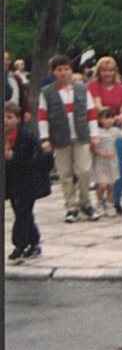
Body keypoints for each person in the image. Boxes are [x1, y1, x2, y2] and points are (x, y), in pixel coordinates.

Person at [37, 54, 100, 223]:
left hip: (81, 136)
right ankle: (71, 206)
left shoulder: (82, 89)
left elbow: (91, 113)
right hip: (60, 137)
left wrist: (94, 135)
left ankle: (85, 202)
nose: (64, 72)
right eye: (60, 70)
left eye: (66, 69)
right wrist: (45, 138)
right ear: (54, 72)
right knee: (65, 173)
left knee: (84, 170)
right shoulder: (47, 93)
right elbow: (43, 117)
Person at [6, 100, 52, 261]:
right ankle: (35, 242)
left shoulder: (26, 137)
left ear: (18, 119)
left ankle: (19, 245)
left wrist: (12, 157)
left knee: (23, 212)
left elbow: (31, 161)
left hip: (29, 180)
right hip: (11, 182)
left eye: (9, 117)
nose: (5, 121)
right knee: (21, 212)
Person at [87, 56, 122, 214]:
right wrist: (111, 117)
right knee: (101, 168)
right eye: (104, 70)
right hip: (100, 128)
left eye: (111, 70)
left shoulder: (121, 88)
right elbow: (98, 106)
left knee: (119, 165)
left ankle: (115, 200)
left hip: (115, 129)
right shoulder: (94, 85)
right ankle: (100, 200)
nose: (107, 74)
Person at [92, 106, 122, 216]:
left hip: (112, 162)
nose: (108, 121)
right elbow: (93, 149)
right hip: (101, 161)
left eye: (110, 118)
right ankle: (99, 203)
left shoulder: (115, 131)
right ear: (100, 120)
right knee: (102, 185)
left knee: (110, 185)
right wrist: (103, 154)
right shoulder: (97, 132)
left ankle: (110, 204)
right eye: (105, 118)